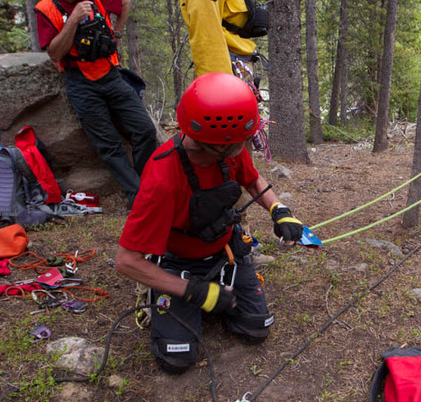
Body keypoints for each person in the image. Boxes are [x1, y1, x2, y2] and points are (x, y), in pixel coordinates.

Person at [114, 73, 307, 374]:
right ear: (216, 144)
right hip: (177, 262)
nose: (247, 144)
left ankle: (216, 292)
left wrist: (279, 209)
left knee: (255, 329)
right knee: (177, 358)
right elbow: (127, 261)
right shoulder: (163, 177)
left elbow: (253, 180)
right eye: (242, 140)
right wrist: (192, 291)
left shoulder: (229, 149)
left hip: (225, 252)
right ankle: (176, 295)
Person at [36, 0, 157, 206]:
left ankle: (145, 185)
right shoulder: (46, 9)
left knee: (144, 129)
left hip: (110, 73)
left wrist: (118, 34)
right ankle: (138, 197)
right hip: (79, 81)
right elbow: (54, 52)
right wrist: (74, 20)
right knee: (107, 144)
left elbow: (124, 2)